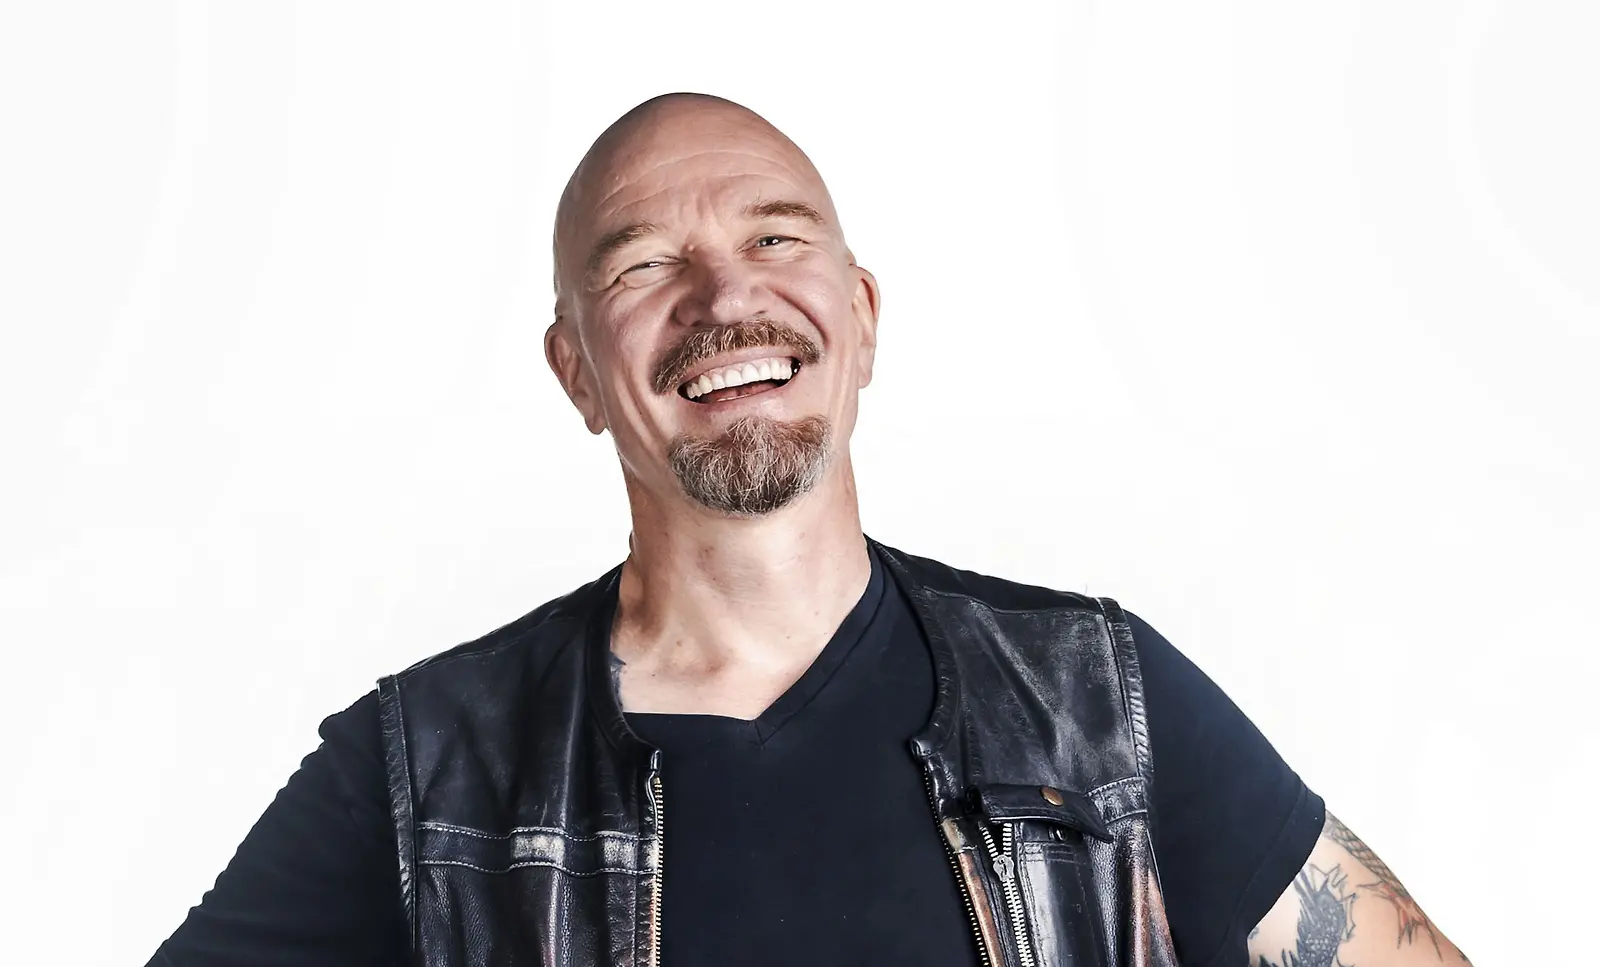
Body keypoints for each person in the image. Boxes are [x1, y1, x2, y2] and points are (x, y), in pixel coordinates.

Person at [147, 93, 1471, 967]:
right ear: (577, 372)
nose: (727, 296)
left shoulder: (1096, 703)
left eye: (778, 238)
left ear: (864, 315)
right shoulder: (430, 772)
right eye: (643, 264)